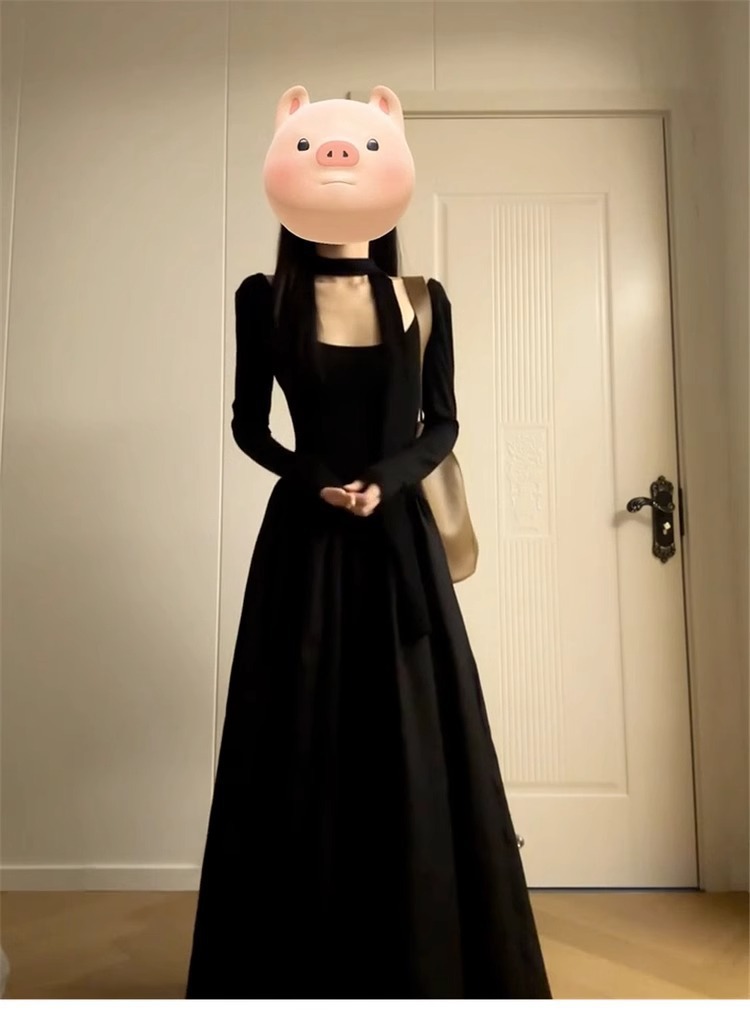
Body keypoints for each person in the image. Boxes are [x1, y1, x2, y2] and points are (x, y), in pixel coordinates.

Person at [185, 84, 552, 1000]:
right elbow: (249, 425)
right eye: (316, 148)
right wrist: (315, 478)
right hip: (305, 550)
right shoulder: (264, 298)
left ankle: (425, 963)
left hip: (399, 547)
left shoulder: (422, 299)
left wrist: (385, 481)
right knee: (298, 736)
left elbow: (444, 423)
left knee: (415, 737)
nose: (338, 162)